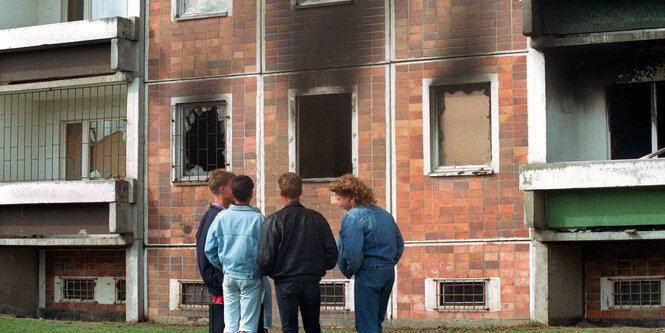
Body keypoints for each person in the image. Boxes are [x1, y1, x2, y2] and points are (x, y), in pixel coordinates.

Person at [257, 172, 338, 333]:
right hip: (311, 280)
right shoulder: (317, 218)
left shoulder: (273, 221)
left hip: (285, 281)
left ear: (280, 192)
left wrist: (273, 273)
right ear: (301, 191)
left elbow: (265, 259)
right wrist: (320, 267)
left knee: (289, 328)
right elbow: (331, 254)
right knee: (313, 327)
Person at [328, 174, 404, 333]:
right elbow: (399, 244)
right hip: (388, 271)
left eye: (338, 198)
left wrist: (350, 270)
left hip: (369, 273)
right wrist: (388, 264)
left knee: (366, 325)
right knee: (376, 321)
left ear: (349, 196)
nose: (336, 202)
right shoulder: (384, 214)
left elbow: (353, 252)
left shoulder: (352, 216)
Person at [206, 175, 265, 333]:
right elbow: (266, 250)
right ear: (251, 194)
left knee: (230, 324)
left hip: (229, 274)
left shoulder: (221, 217)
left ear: (232, 194)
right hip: (251, 275)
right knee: (248, 324)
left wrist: (223, 265)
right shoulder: (258, 219)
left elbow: (209, 249)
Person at [196, 169, 236, 332]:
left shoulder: (214, 215)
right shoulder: (215, 217)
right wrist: (220, 277)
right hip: (219, 282)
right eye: (232, 187)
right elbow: (207, 252)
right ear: (223, 189)